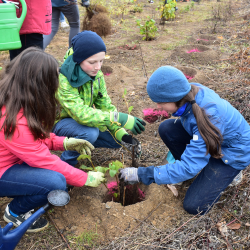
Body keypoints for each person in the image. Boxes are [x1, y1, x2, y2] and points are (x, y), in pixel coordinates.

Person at [119, 66, 250, 215]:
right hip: (210, 137)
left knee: (194, 205)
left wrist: (142, 174)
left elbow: (191, 161)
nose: (158, 106)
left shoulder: (209, 116)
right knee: (167, 128)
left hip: (232, 153)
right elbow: (195, 128)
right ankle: (189, 167)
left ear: (175, 98)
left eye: (161, 102)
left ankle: (230, 172)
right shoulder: (189, 94)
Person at [0, 47, 105, 232]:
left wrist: (63, 142)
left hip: (10, 163)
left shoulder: (15, 98)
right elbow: (45, 161)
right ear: (37, 83)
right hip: (3, 171)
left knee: (55, 178)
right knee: (56, 182)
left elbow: (32, 137)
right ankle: (15, 212)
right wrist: (85, 178)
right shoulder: (11, 119)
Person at [53, 31, 146, 166]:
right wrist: (118, 117)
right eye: (92, 62)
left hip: (82, 122)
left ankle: (84, 143)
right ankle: (65, 165)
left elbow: (105, 106)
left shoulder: (97, 76)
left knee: (116, 140)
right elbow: (81, 114)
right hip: (60, 124)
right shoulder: (64, 79)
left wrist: (120, 132)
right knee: (90, 133)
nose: (98, 67)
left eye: (101, 61)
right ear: (78, 59)